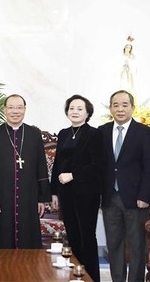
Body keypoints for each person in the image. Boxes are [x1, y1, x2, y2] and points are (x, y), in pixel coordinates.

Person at [99, 90, 150, 282]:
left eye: (124, 105)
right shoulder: (102, 131)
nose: (120, 109)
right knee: (114, 245)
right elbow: (99, 166)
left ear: (132, 107)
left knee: (137, 245)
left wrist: (145, 197)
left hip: (136, 200)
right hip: (110, 198)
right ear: (110, 108)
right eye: (116, 105)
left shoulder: (144, 132)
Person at [0, 94, 51, 249]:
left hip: (29, 197)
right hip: (2, 197)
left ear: (25, 110)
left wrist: (41, 198)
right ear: (4, 110)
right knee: (2, 240)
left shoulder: (34, 134)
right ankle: (2, 273)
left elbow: (41, 166)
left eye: (19, 107)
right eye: (11, 107)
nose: (15, 111)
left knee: (29, 239)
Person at [51, 95, 104, 282]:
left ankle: (91, 277)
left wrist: (74, 175)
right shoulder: (64, 133)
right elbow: (58, 163)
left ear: (87, 112)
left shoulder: (95, 134)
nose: (75, 111)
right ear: (67, 112)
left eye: (80, 108)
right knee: (72, 235)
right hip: (66, 193)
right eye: (72, 108)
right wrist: (54, 192)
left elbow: (98, 165)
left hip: (87, 193)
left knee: (86, 237)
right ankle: (76, 275)